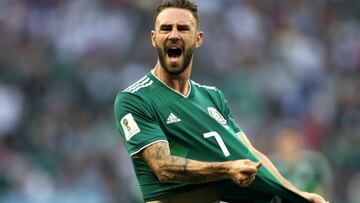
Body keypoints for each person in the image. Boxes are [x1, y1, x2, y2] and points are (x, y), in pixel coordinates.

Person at [114, 0, 329, 202]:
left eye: (183, 28)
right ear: (154, 38)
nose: (173, 35)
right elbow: (162, 167)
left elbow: (250, 155)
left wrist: (295, 194)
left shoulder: (212, 97)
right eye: (166, 28)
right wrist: (227, 169)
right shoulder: (135, 100)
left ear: (198, 39)